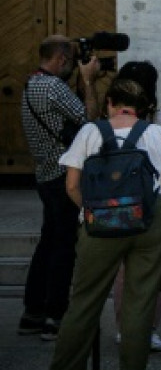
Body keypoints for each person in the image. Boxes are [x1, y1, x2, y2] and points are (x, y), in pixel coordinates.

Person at [28, 78, 161, 370]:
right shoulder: (158, 134)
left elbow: (71, 185)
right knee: (140, 298)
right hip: (149, 220)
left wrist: (90, 211)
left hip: (98, 221)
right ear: (141, 108)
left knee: (85, 298)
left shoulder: (89, 132)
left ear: (110, 103)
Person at [19, 36, 100, 340]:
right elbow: (90, 119)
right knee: (64, 245)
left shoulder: (32, 83)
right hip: (62, 175)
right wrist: (89, 82)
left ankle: (33, 311)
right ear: (62, 59)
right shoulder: (52, 87)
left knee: (49, 242)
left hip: (44, 173)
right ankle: (55, 314)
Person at [111, 60, 161, 353]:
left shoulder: (99, 126)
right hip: (152, 202)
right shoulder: (159, 123)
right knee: (156, 271)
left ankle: (124, 327)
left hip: (112, 204)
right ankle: (147, 329)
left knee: (123, 271)